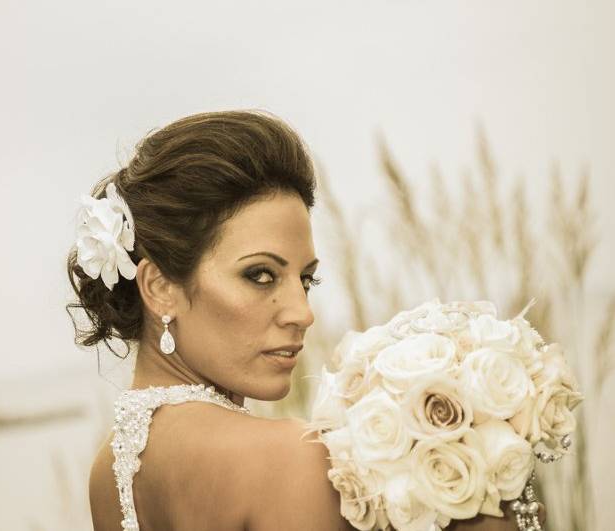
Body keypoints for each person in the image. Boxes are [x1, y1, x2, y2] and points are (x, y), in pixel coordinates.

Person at [67, 110, 522, 530]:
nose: (302, 313)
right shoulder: (291, 459)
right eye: (260, 275)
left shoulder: (109, 473)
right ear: (160, 288)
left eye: (306, 280)